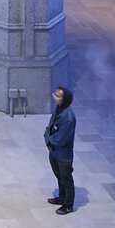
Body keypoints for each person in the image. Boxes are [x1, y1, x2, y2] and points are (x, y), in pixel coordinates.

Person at [45, 86, 77, 214]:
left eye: (58, 96)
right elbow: (51, 125)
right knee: (59, 177)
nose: (55, 97)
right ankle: (62, 197)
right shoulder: (58, 109)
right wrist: (47, 135)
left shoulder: (69, 118)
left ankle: (68, 205)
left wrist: (48, 139)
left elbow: (61, 138)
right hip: (54, 151)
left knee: (66, 179)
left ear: (65, 99)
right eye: (55, 95)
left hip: (63, 155)